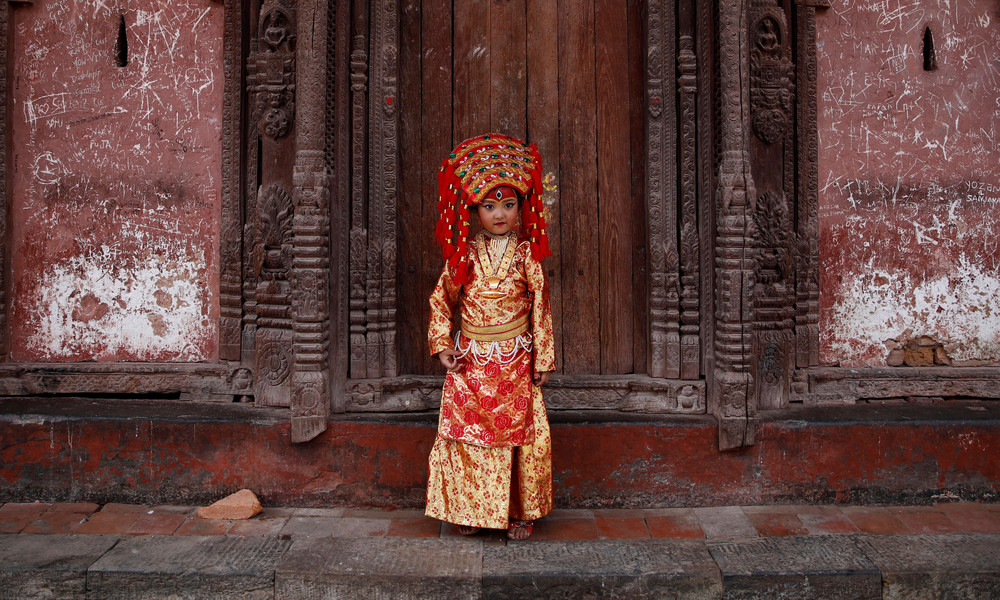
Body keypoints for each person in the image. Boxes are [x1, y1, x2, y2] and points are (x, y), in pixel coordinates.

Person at [424, 133, 555, 540]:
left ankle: (520, 512)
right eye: (490, 205)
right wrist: (442, 343)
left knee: (519, 436)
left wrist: (544, 359)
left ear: (521, 208)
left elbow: (541, 306)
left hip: (515, 361)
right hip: (471, 362)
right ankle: (469, 512)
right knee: (467, 434)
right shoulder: (463, 253)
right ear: (475, 210)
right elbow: (442, 299)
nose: (500, 214)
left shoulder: (527, 254)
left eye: (509, 204)